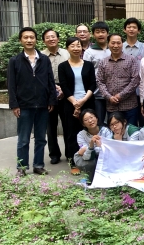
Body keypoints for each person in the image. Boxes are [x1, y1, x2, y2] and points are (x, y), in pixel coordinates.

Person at [8, 27, 57, 176]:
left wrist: (51, 100)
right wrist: (14, 104)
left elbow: (50, 81)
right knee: (23, 139)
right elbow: (11, 85)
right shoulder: (15, 61)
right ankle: (21, 167)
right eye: (26, 37)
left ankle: (38, 165)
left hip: (43, 105)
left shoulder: (44, 59)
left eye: (32, 37)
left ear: (36, 40)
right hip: (24, 106)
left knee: (41, 139)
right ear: (21, 40)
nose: (29, 40)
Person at [59, 37, 96, 176]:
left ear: (82, 48)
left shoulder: (88, 65)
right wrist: (75, 102)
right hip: (70, 104)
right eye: (72, 46)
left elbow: (93, 84)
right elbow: (64, 86)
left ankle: (90, 159)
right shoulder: (63, 66)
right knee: (71, 134)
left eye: (78, 45)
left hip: (88, 103)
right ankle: (73, 162)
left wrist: (83, 100)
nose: (76, 48)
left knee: (89, 131)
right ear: (67, 48)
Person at [96, 33, 141, 127]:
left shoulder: (131, 60)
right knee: (115, 132)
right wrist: (109, 97)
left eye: (118, 43)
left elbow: (135, 80)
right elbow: (100, 81)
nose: (115, 46)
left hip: (129, 105)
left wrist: (121, 95)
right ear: (108, 44)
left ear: (122, 44)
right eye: (113, 43)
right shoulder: (103, 62)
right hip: (111, 106)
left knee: (131, 131)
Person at [41, 29, 68, 165]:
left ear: (58, 39)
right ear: (43, 41)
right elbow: (39, 76)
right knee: (50, 126)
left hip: (66, 91)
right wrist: (53, 88)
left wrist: (64, 89)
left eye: (53, 37)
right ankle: (54, 154)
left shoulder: (67, 53)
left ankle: (70, 153)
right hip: (47, 92)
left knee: (68, 125)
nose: (51, 39)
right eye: (48, 37)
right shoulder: (40, 56)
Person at [83, 21, 111, 124]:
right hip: (96, 94)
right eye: (97, 32)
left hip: (112, 94)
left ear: (107, 33)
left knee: (114, 122)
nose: (100, 34)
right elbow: (86, 74)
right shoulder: (89, 52)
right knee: (98, 122)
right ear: (93, 34)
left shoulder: (113, 49)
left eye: (103, 31)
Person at [73, 109, 112, 182]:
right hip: (90, 159)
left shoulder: (106, 131)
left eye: (91, 117)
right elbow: (86, 156)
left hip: (105, 158)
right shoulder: (81, 135)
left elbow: (108, 150)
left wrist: (90, 149)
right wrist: (91, 145)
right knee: (90, 161)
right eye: (86, 120)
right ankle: (89, 179)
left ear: (96, 118)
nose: (90, 121)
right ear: (83, 124)